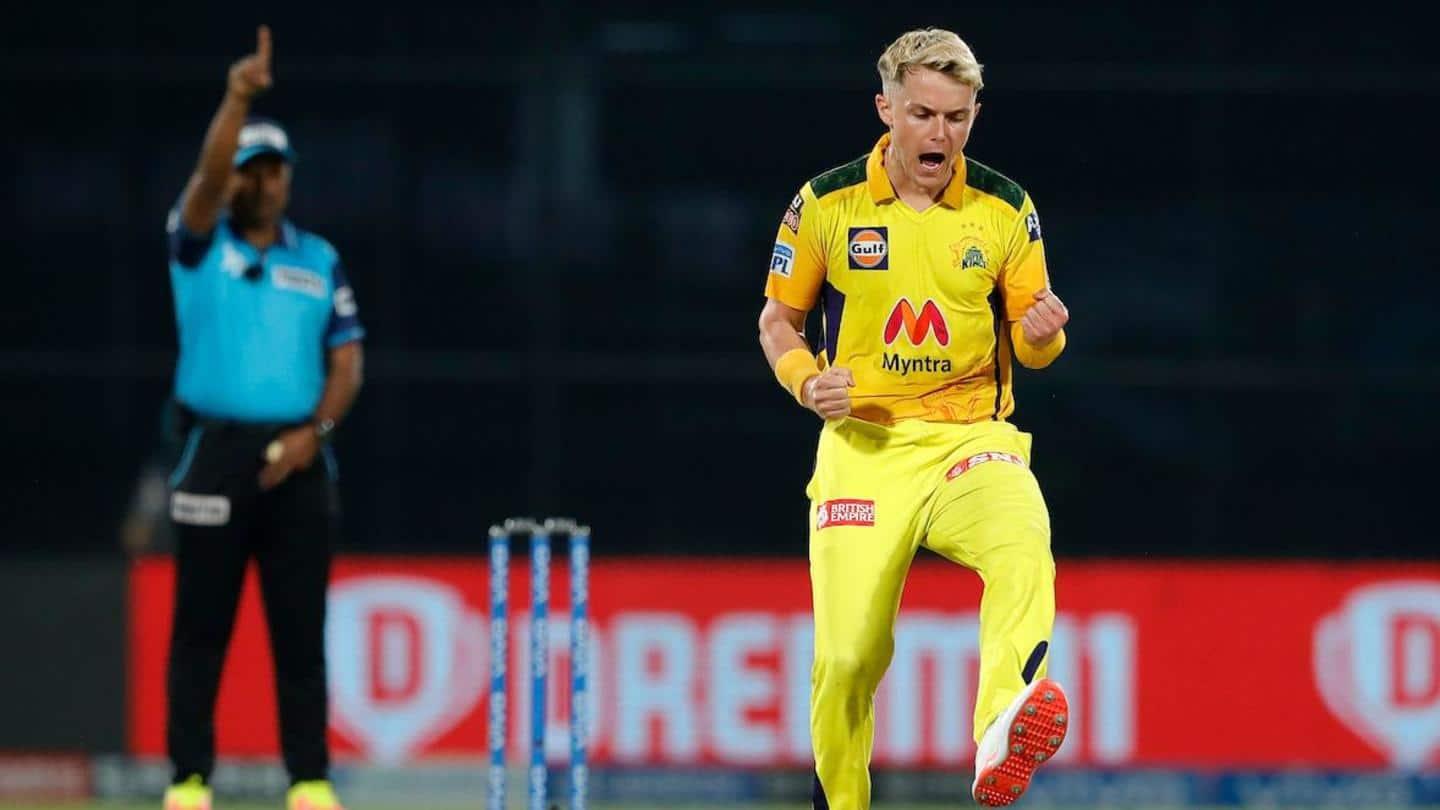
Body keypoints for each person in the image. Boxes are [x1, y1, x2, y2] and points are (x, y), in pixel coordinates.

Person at [758, 27, 1071, 809]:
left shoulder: (1006, 209)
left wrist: (1044, 335)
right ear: (886, 109)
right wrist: (808, 384)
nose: (940, 134)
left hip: (971, 440)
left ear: (974, 115)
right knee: (847, 661)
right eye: (924, 114)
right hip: (864, 448)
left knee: (1023, 543)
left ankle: (1000, 726)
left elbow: (1035, 345)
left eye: (957, 117)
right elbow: (777, 323)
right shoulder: (825, 203)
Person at [160, 25, 364, 810]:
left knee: (300, 631)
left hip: (300, 458)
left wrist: (315, 435)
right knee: (200, 631)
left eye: (276, 170)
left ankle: (309, 781)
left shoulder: (317, 258)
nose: (266, 182)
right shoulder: (197, 245)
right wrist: (237, 99)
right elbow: (206, 181)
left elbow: (347, 363)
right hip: (215, 452)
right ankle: (188, 780)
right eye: (253, 169)